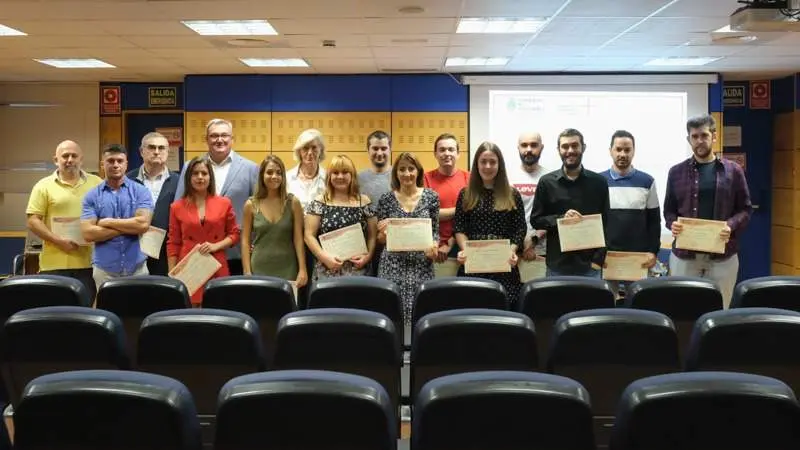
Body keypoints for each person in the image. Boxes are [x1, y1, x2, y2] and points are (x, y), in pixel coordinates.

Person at [664, 114, 752, 308]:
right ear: (689, 140)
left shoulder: (733, 171)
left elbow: (745, 210)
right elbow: (669, 212)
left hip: (723, 257)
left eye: (704, 135)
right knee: (683, 309)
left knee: (721, 308)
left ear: (714, 137)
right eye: (694, 137)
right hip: (685, 257)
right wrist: (673, 224)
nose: (699, 141)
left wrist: (731, 225)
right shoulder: (675, 172)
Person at [174, 118, 257, 276]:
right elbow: (180, 205)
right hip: (197, 253)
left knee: (233, 299)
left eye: (225, 135)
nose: (220, 140)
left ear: (232, 139)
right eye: (214, 136)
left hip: (237, 252)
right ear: (206, 139)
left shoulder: (250, 168)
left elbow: (257, 211)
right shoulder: (190, 167)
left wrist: (253, 242)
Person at [26, 140, 102, 301]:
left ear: (81, 159)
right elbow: (33, 221)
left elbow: (106, 215)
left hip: (89, 264)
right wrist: (58, 240)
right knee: (55, 315)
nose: (70, 160)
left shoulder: (97, 183)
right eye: (65, 156)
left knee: (84, 315)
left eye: (74, 156)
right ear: (56, 160)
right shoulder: (43, 186)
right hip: (53, 265)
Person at [531, 128, 610, 277]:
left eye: (575, 145)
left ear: (583, 148)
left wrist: (598, 259)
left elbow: (606, 222)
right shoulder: (546, 183)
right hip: (557, 266)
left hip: (589, 267)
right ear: (558, 150)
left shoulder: (599, 182)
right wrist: (561, 219)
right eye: (565, 146)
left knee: (591, 302)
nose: (570, 150)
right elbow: (536, 220)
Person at [454, 141, 526, 303]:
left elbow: (520, 228)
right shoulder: (465, 194)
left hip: (503, 265)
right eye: (483, 161)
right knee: (471, 309)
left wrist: (512, 251)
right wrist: (466, 251)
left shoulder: (512, 194)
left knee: (503, 311)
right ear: (477, 164)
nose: (488, 166)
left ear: (499, 165)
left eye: (492, 162)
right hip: (473, 263)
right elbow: (459, 227)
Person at [376, 152, 439, 325]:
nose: (407, 173)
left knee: (422, 313)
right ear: (396, 173)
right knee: (392, 313)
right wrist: (383, 232)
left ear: (418, 171)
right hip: (392, 266)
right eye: (402, 169)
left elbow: (435, 231)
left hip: (421, 266)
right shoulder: (386, 199)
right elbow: (380, 240)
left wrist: (434, 246)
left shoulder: (431, 197)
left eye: (411, 169)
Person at [167, 157, 240, 306]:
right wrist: (173, 273)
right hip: (189, 266)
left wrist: (216, 246)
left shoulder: (224, 203)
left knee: (218, 309)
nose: (200, 177)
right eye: (195, 173)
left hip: (216, 263)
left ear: (210, 177)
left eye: (204, 173)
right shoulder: (176, 207)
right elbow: (173, 242)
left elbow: (234, 235)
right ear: (189, 177)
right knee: (191, 314)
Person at [80, 144, 153, 288]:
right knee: (107, 310)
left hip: (137, 268)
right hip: (104, 270)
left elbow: (143, 225)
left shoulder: (141, 191)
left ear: (126, 164)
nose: (115, 165)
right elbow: (88, 233)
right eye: (111, 161)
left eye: (120, 161)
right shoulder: (92, 196)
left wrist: (106, 221)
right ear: (102, 164)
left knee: (141, 310)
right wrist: (130, 227)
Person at [600, 130, 661, 296]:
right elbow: (594, 223)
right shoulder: (598, 182)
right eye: (618, 149)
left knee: (638, 305)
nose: (622, 154)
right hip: (607, 259)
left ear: (634, 151)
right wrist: (596, 255)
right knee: (606, 305)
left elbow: (654, 221)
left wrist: (653, 252)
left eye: (627, 150)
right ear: (610, 150)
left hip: (638, 259)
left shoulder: (647, 181)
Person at [304, 155, 377, 280]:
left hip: (359, 270)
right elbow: (308, 235)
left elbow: (372, 236)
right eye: (335, 173)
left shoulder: (364, 201)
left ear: (352, 175)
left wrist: (368, 256)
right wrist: (325, 258)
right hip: (327, 269)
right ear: (329, 176)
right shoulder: (320, 202)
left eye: (345, 172)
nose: (340, 177)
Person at [241, 155, 308, 289]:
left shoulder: (293, 202)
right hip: (259, 267)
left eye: (279, 173)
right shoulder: (251, 204)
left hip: (288, 268)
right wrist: (247, 271)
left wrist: (302, 269)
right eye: (269, 172)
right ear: (262, 175)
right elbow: (245, 241)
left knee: (287, 308)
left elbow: (299, 239)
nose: (274, 176)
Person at [127, 132, 180, 276]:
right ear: (141, 151)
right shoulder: (127, 180)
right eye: (151, 147)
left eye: (161, 148)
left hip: (167, 253)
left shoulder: (180, 182)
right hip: (133, 249)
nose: (157, 152)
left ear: (168, 152)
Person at [423, 133, 469, 266]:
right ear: (435, 154)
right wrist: (460, 210)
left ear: (458, 153)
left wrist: (451, 242)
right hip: (432, 246)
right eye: (442, 150)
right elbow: (426, 215)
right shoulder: (425, 178)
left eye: (451, 149)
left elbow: (471, 217)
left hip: (460, 246)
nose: (446, 153)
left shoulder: (469, 179)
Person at [507, 131, 548, 264]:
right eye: (524, 145)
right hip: (513, 249)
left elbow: (553, 215)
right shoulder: (507, 177)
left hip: (542, 250)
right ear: (518, 148)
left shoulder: (550, 178)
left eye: (534, 145)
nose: (529, 149)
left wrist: (534, 239)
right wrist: (521, 241)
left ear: (541, 148)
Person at [358, 130, 393, 276]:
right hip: (364, 244)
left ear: (390, 149)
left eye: (384, 148)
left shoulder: (400, 176)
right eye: (375, 148)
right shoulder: (357, 178)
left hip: (392, 243)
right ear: (368, 150)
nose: (379, 152)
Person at [287, 129, 327, 210]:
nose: (310, 153)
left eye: (314, 147)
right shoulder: (287, 177)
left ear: (321, 150)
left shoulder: (328, 178)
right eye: (305, 148)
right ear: (299, 152)